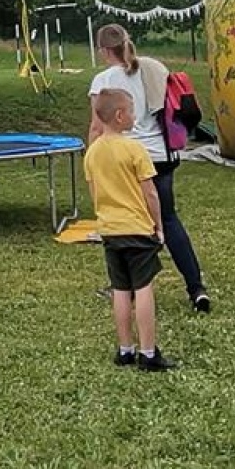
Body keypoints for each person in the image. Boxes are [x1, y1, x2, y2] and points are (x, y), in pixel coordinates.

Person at [87, 23, 213, 313]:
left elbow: (97, 126)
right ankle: (196, 288)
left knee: (127, 222)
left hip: (124, 158)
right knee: (168, 218)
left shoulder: (103, 80)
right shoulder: (154, 67)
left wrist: (92, 158)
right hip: (160, 154)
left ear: (104, 50)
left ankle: (127, 287)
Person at [83, 89, 175, 372]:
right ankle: (148, 353)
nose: (135, 116)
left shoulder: (92, 153)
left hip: (110, 230)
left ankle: (125, 349)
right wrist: (158, 225)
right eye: (133, 111)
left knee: (120, 288)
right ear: (120, 116)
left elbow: (94, 192)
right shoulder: (135, 149)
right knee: (143, 287)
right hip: (137, 229)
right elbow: (151, 193)